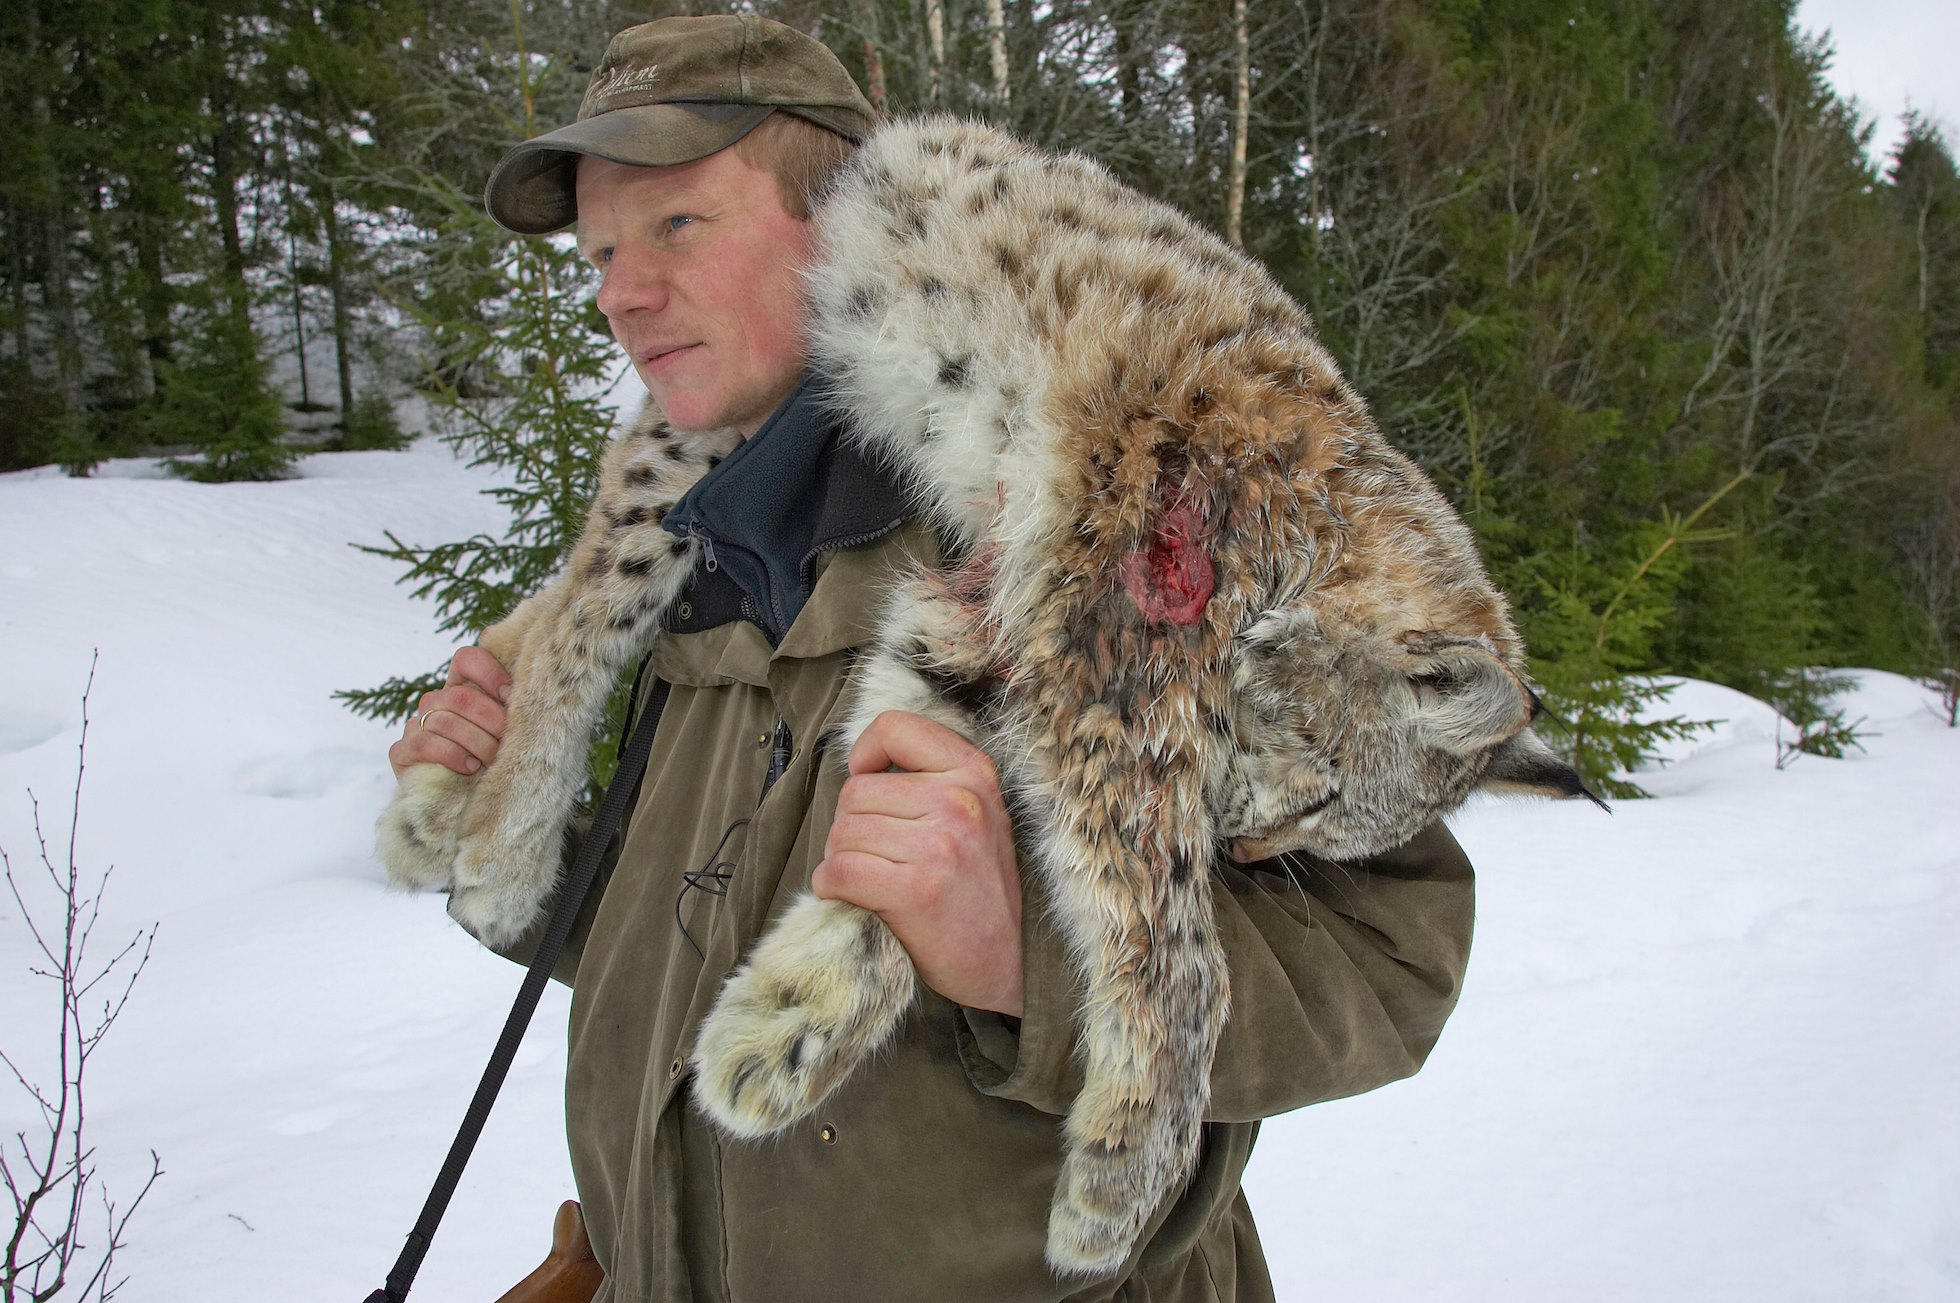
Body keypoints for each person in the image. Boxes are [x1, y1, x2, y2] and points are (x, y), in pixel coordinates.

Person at [386, 14, 1476, 1302]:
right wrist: (528, 834)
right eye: (603, 251)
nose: (622, 290)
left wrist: (1029, 961)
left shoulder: (1137, 522)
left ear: (845, 215)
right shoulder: (696, 561)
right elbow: (696, 936)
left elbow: (1393, 962)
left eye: (677, 226)